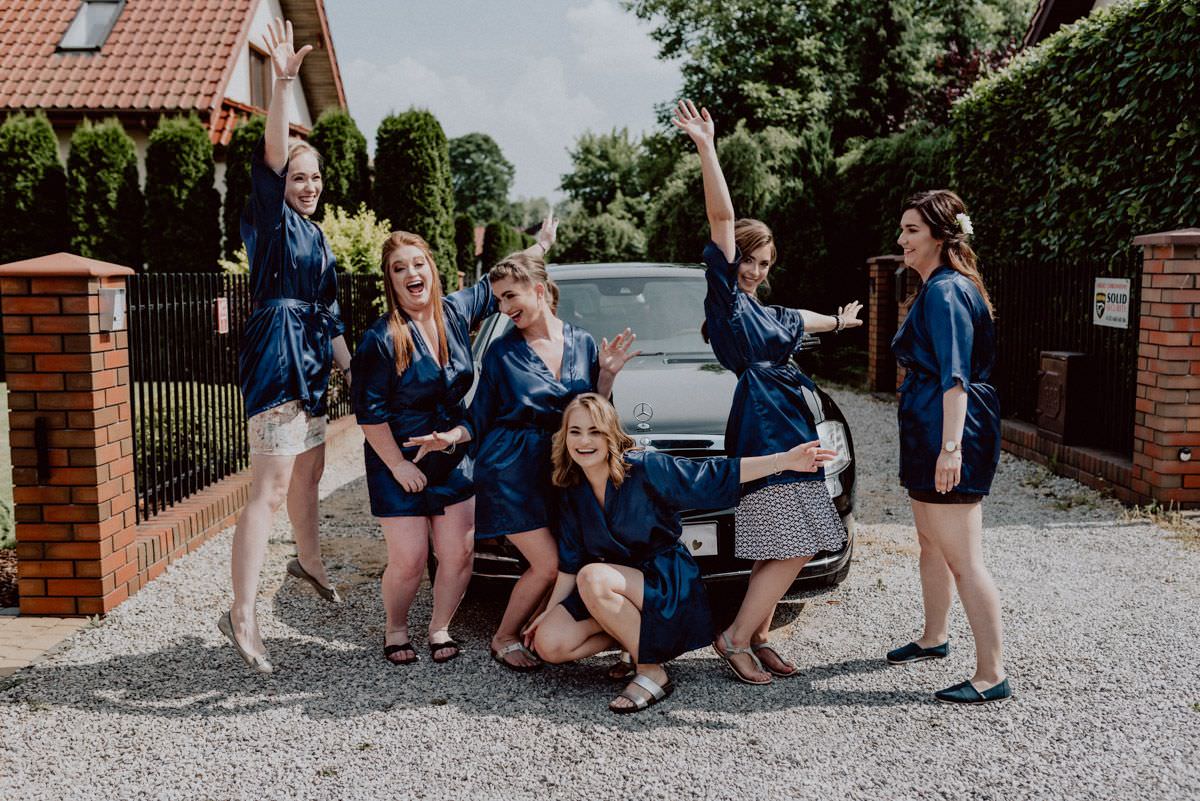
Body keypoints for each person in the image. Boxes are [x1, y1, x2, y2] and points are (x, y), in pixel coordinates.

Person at [673, 99, 862, 685]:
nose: (753, 269)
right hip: (764, 424)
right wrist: (708, 148)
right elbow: (722, 222)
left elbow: (799, 318)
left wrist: (839, 322)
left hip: (792, 421)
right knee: (798, 537)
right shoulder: (726, 302)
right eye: (749, 259)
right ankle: (733, 637)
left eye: (762, 262)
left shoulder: (765, 310)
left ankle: (754, 633)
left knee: (788, 538)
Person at [406, 239, 640, 671]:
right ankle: (503, 636)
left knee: (573, 558)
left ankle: (546, 630)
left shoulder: (584, 343)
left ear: (538, 288)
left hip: (562, 468)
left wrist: (606, 375)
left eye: (510, 296)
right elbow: (479, 417)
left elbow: (591, 410)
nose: (503, 307)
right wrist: (450, 438)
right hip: (510, 470)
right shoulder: (500, 352)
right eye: (496, 300)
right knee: (548, 564)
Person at [525, 394, 837, 713]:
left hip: (666, 584)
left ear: (611, 434)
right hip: (612, 590)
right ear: (565, 436)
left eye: (595, 431)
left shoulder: (645, 466)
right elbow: (570, 560)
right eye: (575, 431)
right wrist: (548, 612)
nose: (585, 441)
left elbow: (710, 474)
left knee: (593, 577)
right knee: (549, 643)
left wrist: (783, 460)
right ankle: (633, 642)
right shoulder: (571, 484)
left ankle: (651, 672)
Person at [219, 18, 351, 674]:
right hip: (275, 357)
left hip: (311, 362)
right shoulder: (270, 222)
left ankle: (309, 559)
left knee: (312, 471)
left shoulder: (318, 237)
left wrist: (347, 357)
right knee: (268, 488)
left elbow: (327, 308)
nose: (306, 186)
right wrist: (282, 82)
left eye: (314, 179)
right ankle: (242, 612)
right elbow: (272, 153)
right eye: (298, 178)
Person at [351, 223, 542, 665]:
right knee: (411, 558)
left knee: (457, 552)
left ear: (431, 270)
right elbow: (370, 413)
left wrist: (542, 245)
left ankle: (440, 626)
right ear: (391, 279)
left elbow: (499, 278)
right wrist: (399, 465)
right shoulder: (380, 339)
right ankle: (396, 627)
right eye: (400, 268)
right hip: (398, 457)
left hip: (452, 453)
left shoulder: (455, 312)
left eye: (418, 264)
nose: (411, 273)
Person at [888, 190, 1009, 705]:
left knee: (965, 559)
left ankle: (991, 674)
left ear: (939, 234)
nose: (902, 240)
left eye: (912, 230)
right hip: (927, 431)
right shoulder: (937, 286)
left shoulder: (945, 292)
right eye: (902, 229)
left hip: (947, 432)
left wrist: (951, 448)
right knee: (930, 544)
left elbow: (955, 376)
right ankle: (934, 636)